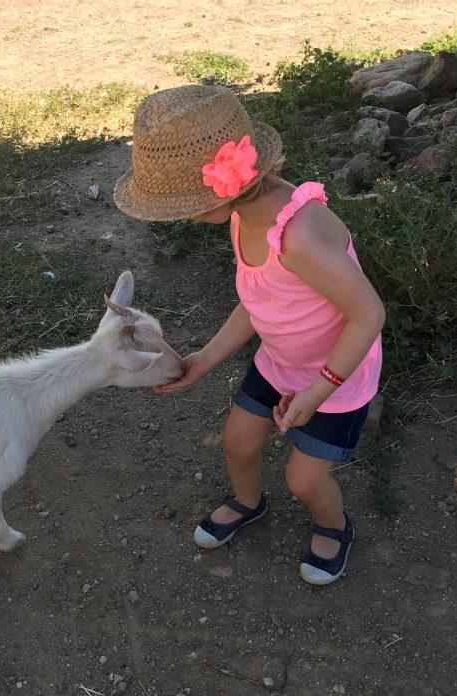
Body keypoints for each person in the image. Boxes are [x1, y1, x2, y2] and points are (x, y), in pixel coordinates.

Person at [113, 85, 384, 585]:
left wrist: (318, 390)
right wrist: (207, 356)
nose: (180, 215)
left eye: (180, 203)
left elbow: (368, 315)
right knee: (237, 442)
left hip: (337, 376)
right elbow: (260, 300)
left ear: (223, 185)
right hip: (280, 360)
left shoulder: (298, 236)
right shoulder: (242, 217)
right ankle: (246, 501)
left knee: (305, 479)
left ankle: (335, 525)